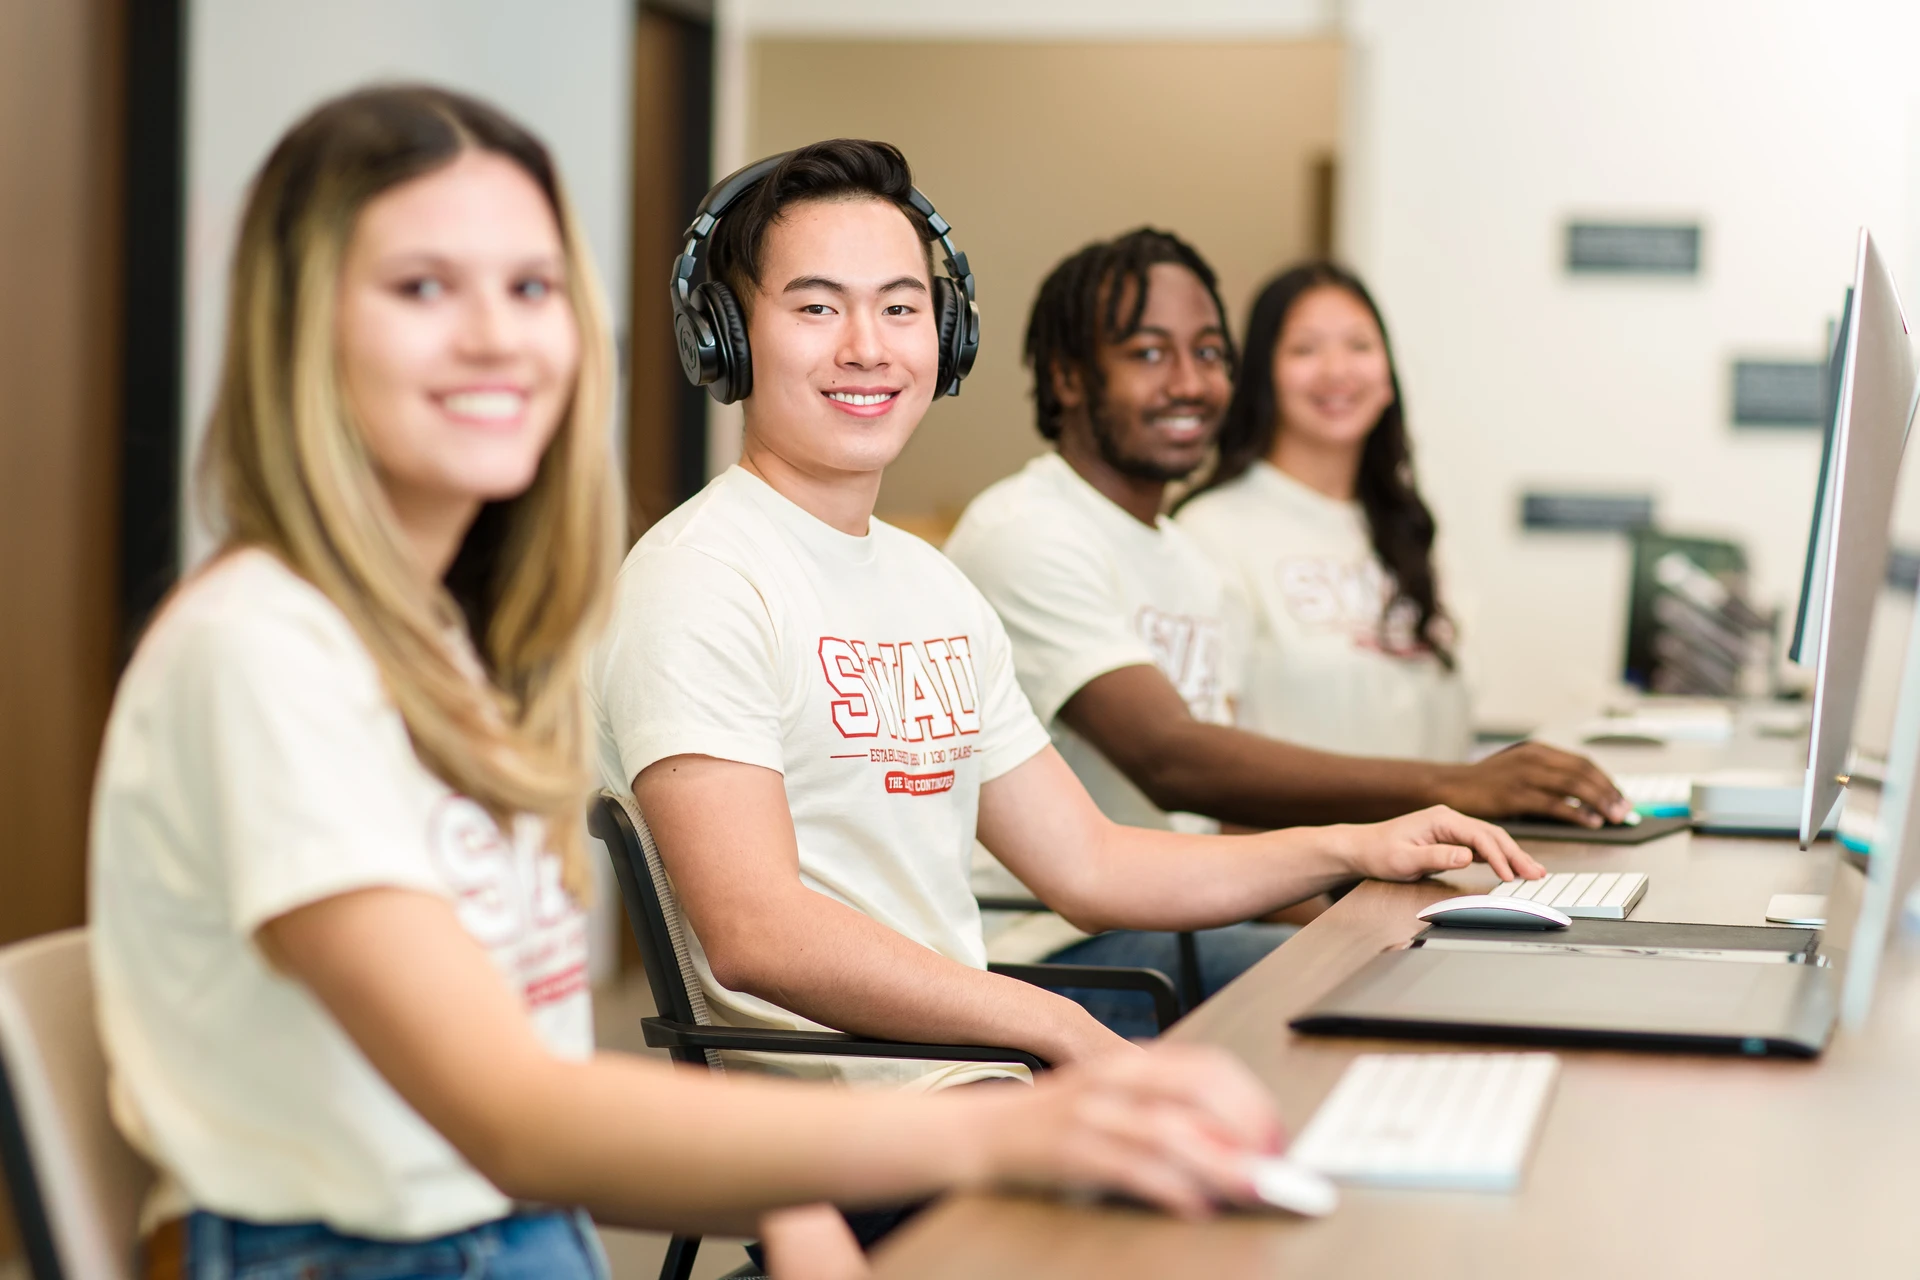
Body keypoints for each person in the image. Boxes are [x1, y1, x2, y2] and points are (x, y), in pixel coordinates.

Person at [89, 88, 1298, 1280]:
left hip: (521, 1228)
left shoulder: (449, 648)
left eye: (530, 287)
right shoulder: (268, 653)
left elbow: (536, 1064)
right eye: (421, 288)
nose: (496, 336)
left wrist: (806, 1206)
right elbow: (511, 1110)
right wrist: (1011, 1113)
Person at [588, 138, 1543, 1253]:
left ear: (944, 339)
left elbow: (1091, 860)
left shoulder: (926, 582)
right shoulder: (702, 576)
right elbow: (755, 931)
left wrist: (1350, 844)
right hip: (842, 1129)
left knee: (1350, 1154)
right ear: (726, 336)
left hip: (977, 1086)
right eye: (815, 307)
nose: (866, 348)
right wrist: (1055, 1025)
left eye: (901, 309)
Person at [942, 232, 1627, 1025]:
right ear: (1067, 376)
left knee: (1465, 959)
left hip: (1185, 915)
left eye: (1207, 353)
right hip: (1058, 951)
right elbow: (1175, 761)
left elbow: (1211, 812)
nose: (1190, 383)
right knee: (1414, 990)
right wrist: (1451, 787)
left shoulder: (1181, 559)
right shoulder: (1030, 531)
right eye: (1149, 353)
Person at [1177, 260, 1473, 761]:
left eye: (1359, 346)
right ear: (1262, 376)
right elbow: (1204, 760)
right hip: (1296, 839)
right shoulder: (1211, 532)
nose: (1337, 371)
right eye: (1306, 349)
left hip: (1434, 837)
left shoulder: (1412, 530)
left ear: (1387, 379)